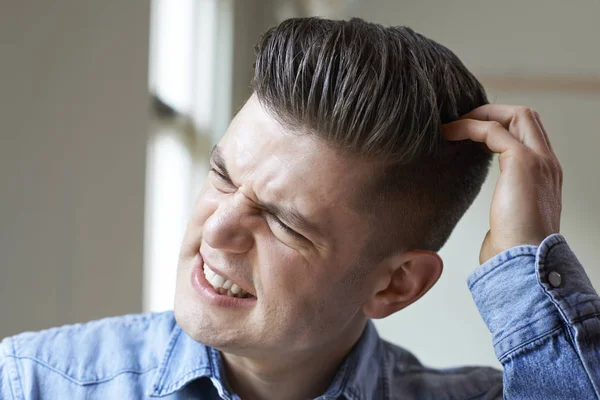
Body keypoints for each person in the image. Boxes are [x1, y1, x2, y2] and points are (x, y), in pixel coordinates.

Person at [1, 17, 598, 400]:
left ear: (395, 286)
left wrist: (526, 267)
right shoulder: (33, 382)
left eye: (284, 222)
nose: (220, 228)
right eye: (221, 175)